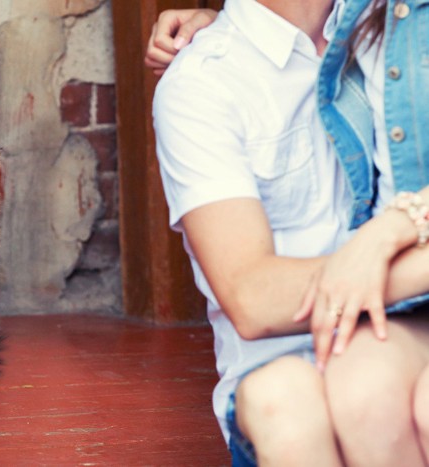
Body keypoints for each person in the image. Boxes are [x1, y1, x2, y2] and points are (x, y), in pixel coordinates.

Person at [149, 0, 429, 465]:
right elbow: (253, 298)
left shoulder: (387, 27)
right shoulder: (203, 79)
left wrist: (385, 241)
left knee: (376, 388)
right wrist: (367, 268)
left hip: (406, 327)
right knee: (287, 405)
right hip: (284, 354)